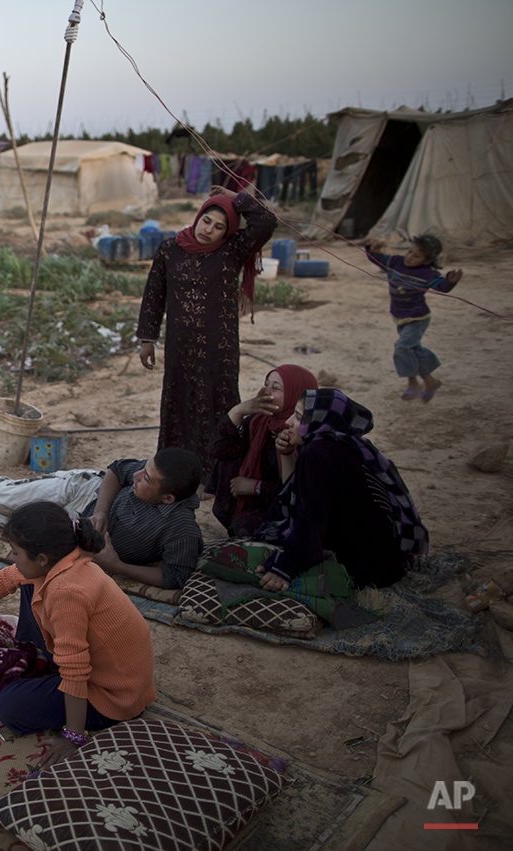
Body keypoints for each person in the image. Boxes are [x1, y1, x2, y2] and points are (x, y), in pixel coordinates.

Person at [0, 502, 156, 771]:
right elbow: (5, 579)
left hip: (114, 695)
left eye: (17, 552)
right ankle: (44, 665)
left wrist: (74, 739)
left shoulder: (66, 592)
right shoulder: (64, 561)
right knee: (24, 584)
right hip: (107, 670)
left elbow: (75, 672)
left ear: (42, 558)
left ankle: (70, 705)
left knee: (10, 707)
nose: (11, 556)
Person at [137, 187, 278, 479]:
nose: (209, 230)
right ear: (198, 216)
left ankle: (217, 475)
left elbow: (266, 222)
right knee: (178, 404)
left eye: (219, 227)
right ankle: (177, 472)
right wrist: (147, 339)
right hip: (180, 345)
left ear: (227, 232)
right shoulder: (169, 248)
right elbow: (154, 294)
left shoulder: (232, 250)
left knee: (218, 405)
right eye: (207, 221)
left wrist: (238, 198)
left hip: (218, 347)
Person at [0, 448, 204, 590]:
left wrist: (117, 566)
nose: (137, 476)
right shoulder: (140, 473)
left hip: (73, 529)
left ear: (168, 498)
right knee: (2, 498)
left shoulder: (181, 530)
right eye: (144, 468)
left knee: (9, 523)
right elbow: (116, 472)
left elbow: (174, 577)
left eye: (147, 479)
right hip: (85, 489)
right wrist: (102, 511)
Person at [255, 389, 427, 590]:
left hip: (365, 573)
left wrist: (284, 569)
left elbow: (311, 520)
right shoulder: (347, 443)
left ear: (321, 421)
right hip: (389, 562)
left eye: (299, 417)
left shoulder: (316, 455)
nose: (288, 422)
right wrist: (287, 453)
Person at [206, 364, 318, 536]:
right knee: (230, 454)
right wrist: (239, 411)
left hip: (286, 508)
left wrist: (257, 487)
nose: (266, 391)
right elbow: (218, 449)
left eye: (275, 388)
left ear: (296, 396)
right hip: (257, 500)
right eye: (266, 384)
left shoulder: (304, 435)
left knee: (246, 531)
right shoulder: (260, 422)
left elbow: (298, 494)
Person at [365, 235, 462, 401]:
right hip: (400, 316)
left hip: (417, 318)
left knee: (402, 347)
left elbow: (441, 286)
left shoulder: (427, 274)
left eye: (416, 256)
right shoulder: (395, 262)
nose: (409, 257)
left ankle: (413, 383)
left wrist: (450, 282)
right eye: (410, 251)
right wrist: (373, 250)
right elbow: (377, 258)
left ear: (427, 260)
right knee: (413, 349)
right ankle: (430, 381)